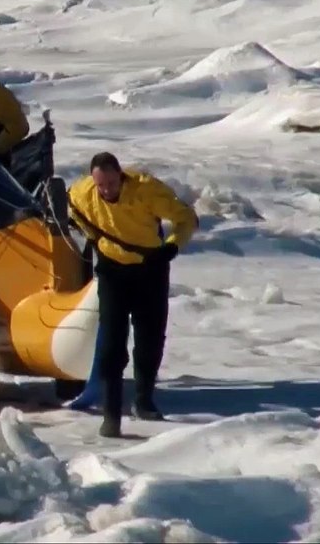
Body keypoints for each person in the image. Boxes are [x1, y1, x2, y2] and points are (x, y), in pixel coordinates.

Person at [67, 152, 199, 438]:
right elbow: (72, 210)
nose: (106, 190)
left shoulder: (146, 190)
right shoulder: (83, 193)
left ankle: (143, 399)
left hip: (149, 268)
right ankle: (111, 413)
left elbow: (186, 218)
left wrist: (172, 247)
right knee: (112, 342)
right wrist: (94, 238)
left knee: (149, 337)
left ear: (121, 177)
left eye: (111, 184)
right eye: (101, 185)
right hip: (113, 271)